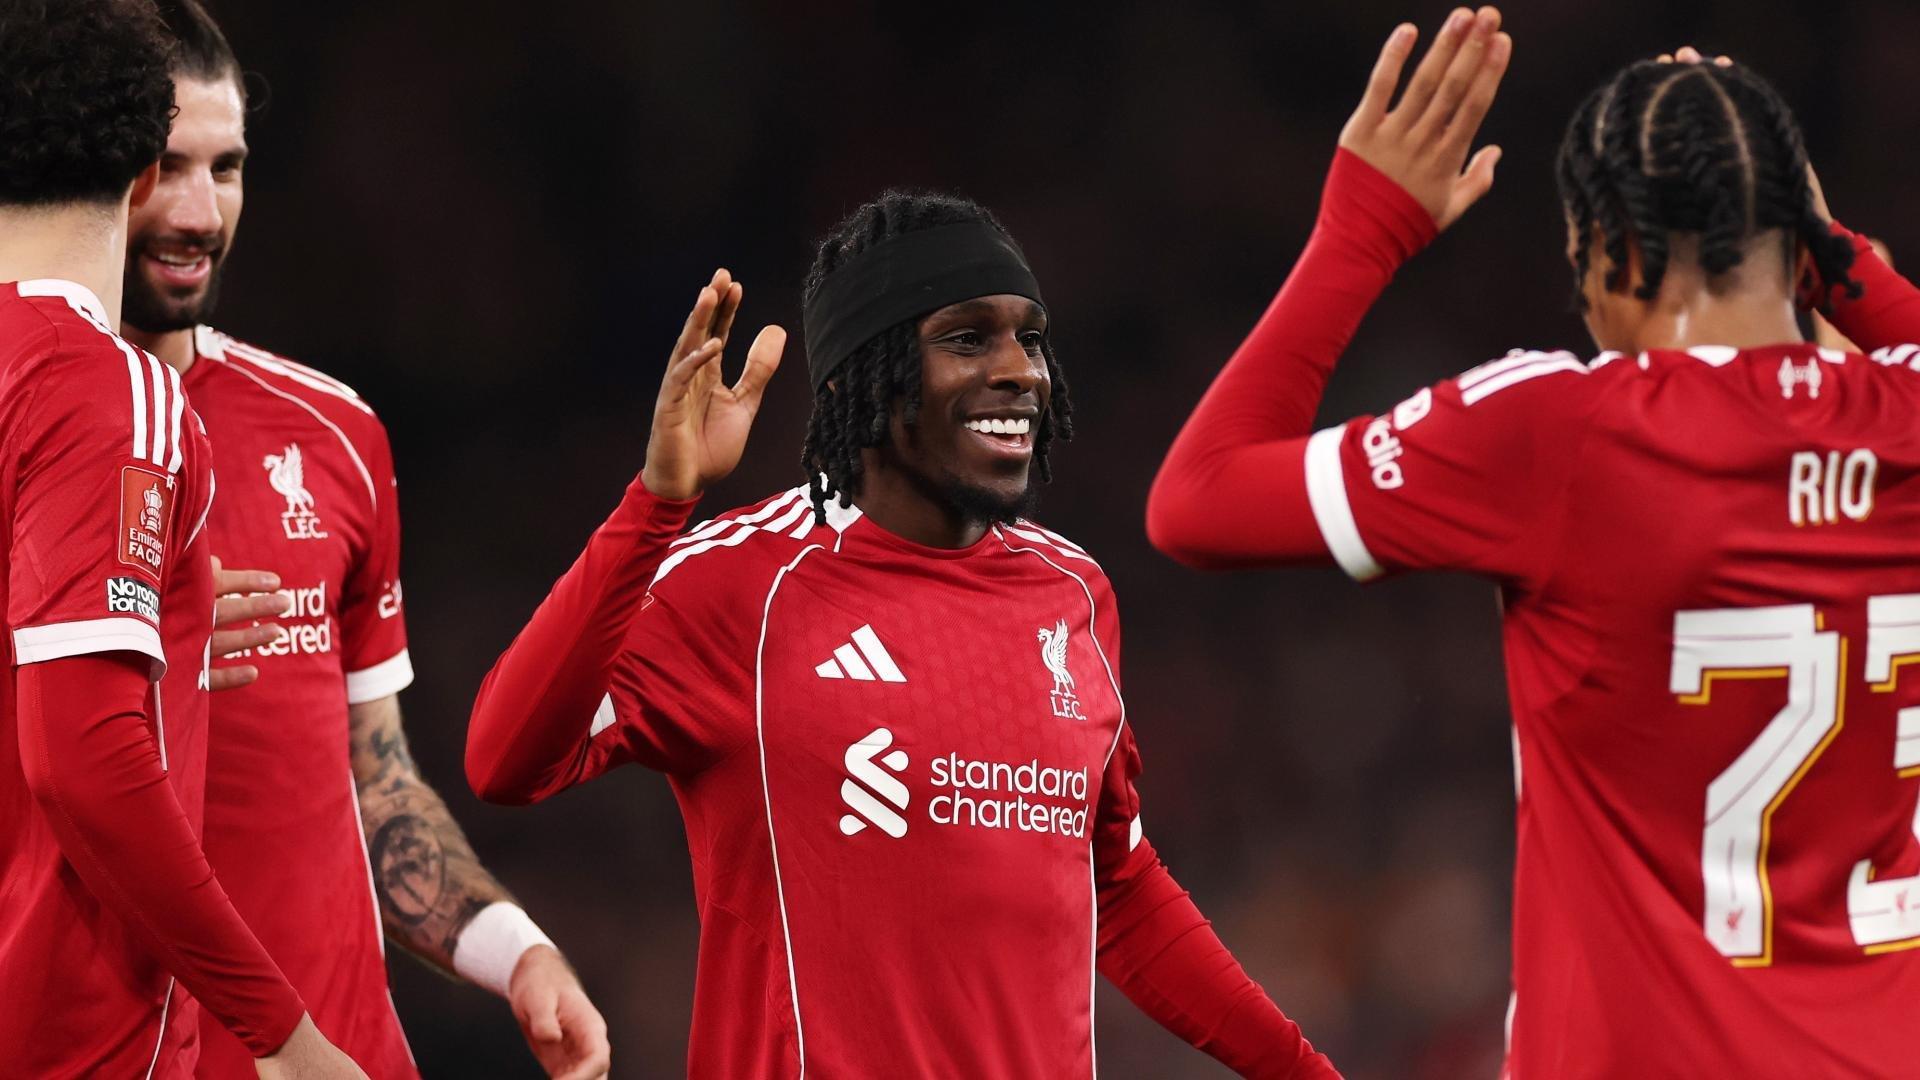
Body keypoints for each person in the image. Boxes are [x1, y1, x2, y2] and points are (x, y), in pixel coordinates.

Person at [1148, 8, 1920, 1075]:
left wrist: (1361, 235)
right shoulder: (1904, 416)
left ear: (1613, 254)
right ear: (1801, 254)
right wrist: (1839, 259)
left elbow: (1195, 499)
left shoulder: (1559, 432)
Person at [464, 197, 1338, 1075]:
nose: (1021, 371)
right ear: (860, 378)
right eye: (967, 338)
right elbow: (505, 761)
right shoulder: (741, 585)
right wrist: (657, 505)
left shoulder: (1071, 592)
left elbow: (1116, 884)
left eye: (1030, 338)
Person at [114, 3, 611, 1077]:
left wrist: (516, 952)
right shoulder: (29, 429)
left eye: (226, 168)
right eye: (162, 168)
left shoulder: (333, 434)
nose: (200, 212)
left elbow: (372, 782)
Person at [0, 0, 360, 1075]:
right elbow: (86, 763)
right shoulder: (109, 394)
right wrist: (287, 1036)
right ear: (141, 173)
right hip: (69, 1038)